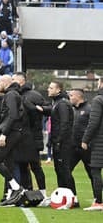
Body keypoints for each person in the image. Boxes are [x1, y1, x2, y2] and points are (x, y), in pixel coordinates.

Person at [36, 81, 76, 205]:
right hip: (59, 142)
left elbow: (64, 124)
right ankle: (64, 197)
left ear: (58, 90)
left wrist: (58, 141)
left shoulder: (62, 103)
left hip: (64, 143)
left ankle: (73, 198)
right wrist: (41, 109)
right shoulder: (57, 103)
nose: (48, 89)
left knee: (64, 170)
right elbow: (52, 111)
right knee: (59, 170)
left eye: (51, 87)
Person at [12, 73, 48, 205]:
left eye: (14, 79)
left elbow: (47, 109)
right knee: (22, 166)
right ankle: (28, 192)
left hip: (32, 137)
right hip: (20, 138)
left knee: (35, 166)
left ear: (21, 81)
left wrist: (39, 109)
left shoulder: (34, 95)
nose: (12, 82)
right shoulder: (15, 95)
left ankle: (43, 194)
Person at [0, 75, 25, 206]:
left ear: (6, 82)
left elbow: (13, 115)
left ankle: (16, 188)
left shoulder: (10, 95)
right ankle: (12, 194)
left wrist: (4, 133)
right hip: (15, 132)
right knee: (9, 163)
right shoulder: (13, 94)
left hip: (11, 133)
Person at [68, 89, 93, 208]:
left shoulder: (90, 109)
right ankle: (74, 199)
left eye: (71, 95)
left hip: (86, 148)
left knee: (92, 174)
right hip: (73, 148)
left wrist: (87, 141)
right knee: (66, 171)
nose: (70, 97)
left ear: (78, 96)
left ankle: (97, 199)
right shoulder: (72, 110)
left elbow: (94, 127)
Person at [81, 78, 103, 211]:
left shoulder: (98, 99)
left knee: (95, 170)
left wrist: (85, 139)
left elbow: (93, 122)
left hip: (100, 141)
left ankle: (98, 202)